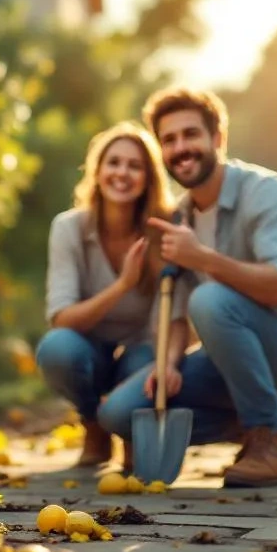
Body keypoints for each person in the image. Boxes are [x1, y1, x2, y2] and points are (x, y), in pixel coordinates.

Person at [97, 88, 277, 487]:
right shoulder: (178, 218)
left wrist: (203, 258)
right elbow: (177, 312)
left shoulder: (267, 193)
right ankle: (276, 426)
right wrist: (167, 363)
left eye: (191, 135)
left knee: (212, 299)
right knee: (118, 414)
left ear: (218, 139)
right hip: (238, 358)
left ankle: (270, 438)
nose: (181, 148)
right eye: (169, 140)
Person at [36, 121, 178, 469]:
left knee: (143, 363)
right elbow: (61, 318)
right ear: (98, 171)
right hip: (89, 347)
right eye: (114, 162)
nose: (122, 173)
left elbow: (171, 310)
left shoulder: (164, 232)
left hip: (141, 347)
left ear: (148, 178)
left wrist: (167, 363)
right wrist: (123, 285)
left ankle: (129, 427)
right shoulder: (68, 228)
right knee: (57, 349)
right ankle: (94, 425)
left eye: (135, 166)